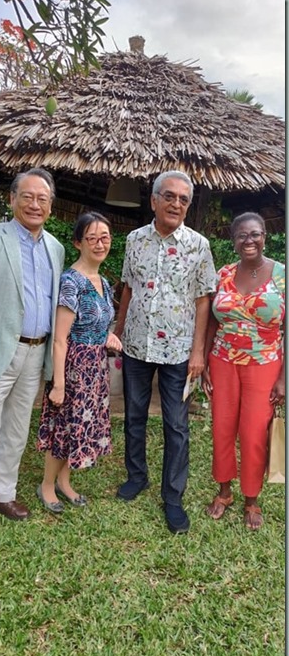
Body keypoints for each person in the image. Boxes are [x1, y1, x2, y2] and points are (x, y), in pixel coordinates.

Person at [114, 171, 216, 534]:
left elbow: (204, 301)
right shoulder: (134, 240)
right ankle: (136, 476)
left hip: (178, 351)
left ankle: (173, 497)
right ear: (154, 200)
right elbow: (128, 287)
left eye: (183, 199)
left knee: (176, 424)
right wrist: (119, 330)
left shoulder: (199, 246)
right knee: (134, 416)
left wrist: (198, 352)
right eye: (169, 196)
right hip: (137, 346)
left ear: (188, 205)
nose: (176, 204)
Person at [0, 168, 65, 538]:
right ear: (13, 199)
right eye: (28, 197)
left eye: (42, 199)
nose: (35, 204)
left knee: (17, 428)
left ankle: (2, 492)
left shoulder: (55, 247)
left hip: (36, 351)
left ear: (50, 206)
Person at [202, 212, 285, 530]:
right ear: (233, 239)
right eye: (242, 235)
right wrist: (207, 359)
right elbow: (212, 320)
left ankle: (251, 499)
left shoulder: (281, 275)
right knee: (222, 427)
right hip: (222, 362)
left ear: (264, 235)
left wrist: (283, 378)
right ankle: (224, 492)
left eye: (255, 234)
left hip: (264, 365)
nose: (249, 240)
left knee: (253, 434)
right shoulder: (224, 274)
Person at [36, 212, 122, 513]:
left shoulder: (103, 281)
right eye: (92, 238)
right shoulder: (72, 282)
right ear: (78, 243)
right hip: (73, 370)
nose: (100, 244)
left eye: (105, 237)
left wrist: (108, 338)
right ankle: (47, 485)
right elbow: (60, 339)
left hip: (95, 368)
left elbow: (98, 326)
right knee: (64, 427)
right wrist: (58, 384)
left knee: (80, 428)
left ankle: (64, 481)